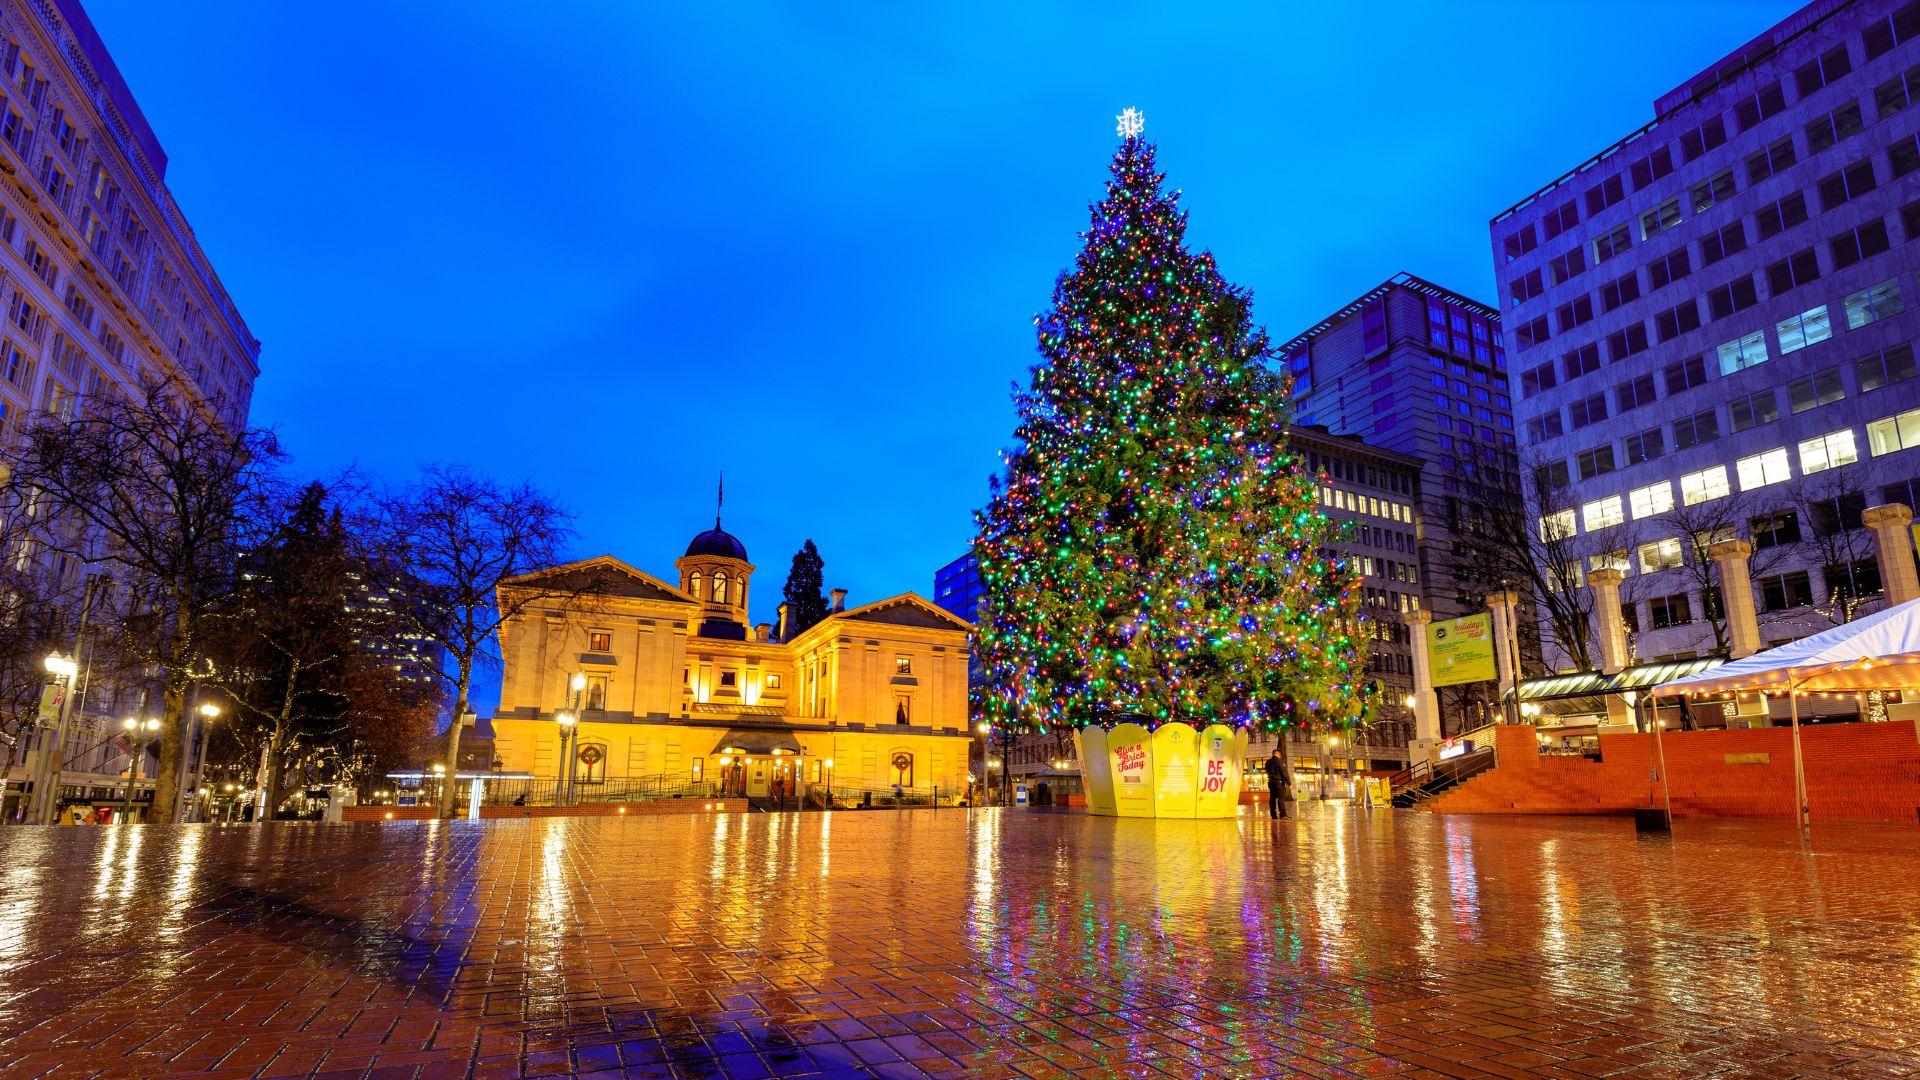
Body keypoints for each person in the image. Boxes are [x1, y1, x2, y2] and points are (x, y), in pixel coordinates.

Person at [1264, 750, 1290, 819]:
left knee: (1272, 798)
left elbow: (1267, 771)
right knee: (1280, 798)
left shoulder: (1267, 762)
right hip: (1279, 782)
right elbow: (1283, 772)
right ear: (1279, 754)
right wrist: (1289, 783)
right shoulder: (1279, 761)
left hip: (1271, 782)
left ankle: (1273, 814)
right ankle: (1283, 815)